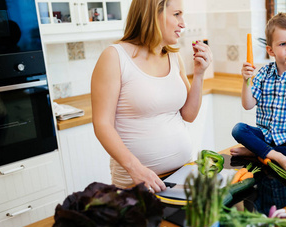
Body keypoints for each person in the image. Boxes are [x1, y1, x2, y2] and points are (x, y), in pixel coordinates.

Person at [91, 0, 212, 192]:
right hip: (137, 183)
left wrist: (199, 74)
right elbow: (102, 124)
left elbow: (189, 115)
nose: (183, 23)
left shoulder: (174, 56)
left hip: (182, 175)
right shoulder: (114, 57)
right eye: (177, 14)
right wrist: (136, 168)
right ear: (154, 14)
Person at [231, 12, 286, 174]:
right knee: (238, 129)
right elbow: (247, 105)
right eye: (283, 44)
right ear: (271, 51)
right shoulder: (264, 73)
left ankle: (257, 151)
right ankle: (271, 153)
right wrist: (246, 81)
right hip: (264, 134)